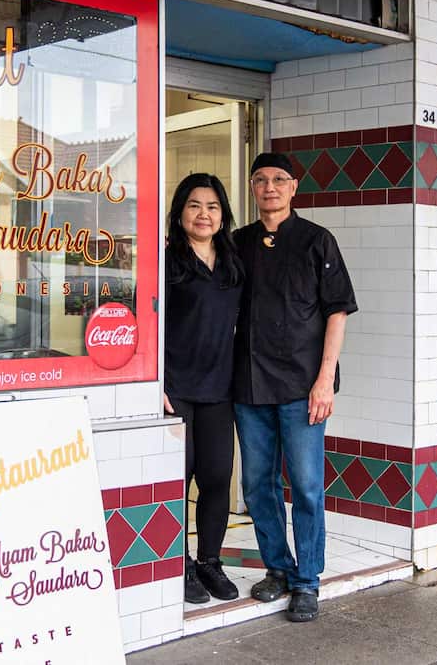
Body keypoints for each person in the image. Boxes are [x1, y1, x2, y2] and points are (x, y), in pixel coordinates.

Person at [233, 152, 357, 623]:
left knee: (305, 486)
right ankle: (278, 569)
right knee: (256, 485)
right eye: (260, 179)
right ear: (252, 187)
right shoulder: (238, 243)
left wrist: (325, 380)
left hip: (304, 387)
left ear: (293, 187)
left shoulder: (316, 240)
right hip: (249, 385)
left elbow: (337, 312)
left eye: (278, 179)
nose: (270, 187)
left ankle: (307, 581)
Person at [164, 173, 244, 604]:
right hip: (175, 388)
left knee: (216, 477)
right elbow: (147, 324)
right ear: (180, 213)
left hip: (219, 387)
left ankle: (209, 561)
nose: (203, 214)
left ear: (222, 215)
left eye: (212, 206)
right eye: (194, 205)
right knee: (179, 477)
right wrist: (154, 382)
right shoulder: (167, 261)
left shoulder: (232, 263)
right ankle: (178, 564)